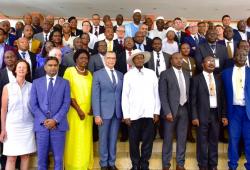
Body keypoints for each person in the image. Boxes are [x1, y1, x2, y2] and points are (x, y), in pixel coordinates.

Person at [122, 49, 160, 170]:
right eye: (137, 58)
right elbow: (125, 96)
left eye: (141, 57)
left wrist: (156, 112)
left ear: (144, 59)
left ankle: (144, 164)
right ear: (133, 61)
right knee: (133, 142)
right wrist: (126, 115)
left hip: (149, 113)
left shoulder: (151, 73)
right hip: (134, 114)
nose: (139, 59)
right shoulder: (128, 75)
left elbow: (156, 94)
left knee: (148, 142)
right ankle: (135, 164)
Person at [30, 57, 70, 170]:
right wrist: (44, 120)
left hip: (59, 125)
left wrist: (55, 120)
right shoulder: (37, 83)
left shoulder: (65, 83)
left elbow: (66, 104)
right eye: (50, 65)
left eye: (55, 65)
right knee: (41, 158)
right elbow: (33, 104)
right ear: (45, 67)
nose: (53, 67)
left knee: (58, 158)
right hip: (42, 126)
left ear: (58, 67)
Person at [191, 56, 227, 170]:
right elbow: (193, 100)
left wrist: (224, 115)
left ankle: (213, 165)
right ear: (202, 64)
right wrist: (194, 116)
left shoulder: (218, 78)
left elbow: (222, 98)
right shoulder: (196, 79)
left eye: (213, 61)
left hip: (215, 115)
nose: (211, 63)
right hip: (201, 116)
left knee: (214, 141)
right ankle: (202, 165)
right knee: (202, 142)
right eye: (208, 61)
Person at [0, 60, 36, 170]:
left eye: (24, 67)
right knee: (11, 157)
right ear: (15, 69)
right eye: (19, 67)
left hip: (28, 126)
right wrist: (3, 129)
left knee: (25, 156)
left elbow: (35, 108)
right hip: (12, 127)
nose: (21, 69)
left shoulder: (32, 87)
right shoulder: (7, 87)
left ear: (27, 71)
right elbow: (3, 109)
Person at [92, 52, 123, 170]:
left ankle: (112, 162)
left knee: (114, 138)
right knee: (103, 139)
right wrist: (97, 114)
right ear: (105, 60)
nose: (111, 60)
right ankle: (104, 164)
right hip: (103, 113)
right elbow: (95, 96)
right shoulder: (97, 74)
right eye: (109, 58)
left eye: (113, 58)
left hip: (117, 113)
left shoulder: (120, 75)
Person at [63, 49, 94, 169]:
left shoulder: (90, 73)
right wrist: (78, 110)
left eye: (86, 58)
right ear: (76, 59)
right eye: (81, 58)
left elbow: (92, 93)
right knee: (73, 139)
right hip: (74, 111)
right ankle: (72, 165)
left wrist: (92, 107)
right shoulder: (69, 71)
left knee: (86, 139)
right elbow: (68, 92)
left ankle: (85, 164)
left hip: (88, 112)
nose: (84, 60)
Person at [159, 52, 190, 170]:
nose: (179, 60)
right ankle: (166, 165)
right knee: (168, 139)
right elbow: (163, 94)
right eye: (176, 58)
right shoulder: (165, 74)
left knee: (182, 139)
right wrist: (167, 112)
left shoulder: (187, 74)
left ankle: (180, 164)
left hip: (184, 109)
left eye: (181, 58)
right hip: (170, 111)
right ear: (171, 61)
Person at [222, 49, 250, 170]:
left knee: (249, 140)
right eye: (238, 55)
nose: (241, 57)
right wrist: (224, 114)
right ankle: (232, 166)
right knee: (233, 140)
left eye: (244, 55)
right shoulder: (226, 73)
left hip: (248, 111)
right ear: (234, 57)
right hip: (233, 111)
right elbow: (222, 95)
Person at [0, 50, 18, 170]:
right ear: (4, 60)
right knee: (5, 142)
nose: (10, 59)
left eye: (12, 57)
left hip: (19, 115)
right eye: (7, 57)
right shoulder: (0, 74)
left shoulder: (23, 72)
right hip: (4, 114)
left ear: (16, 58)